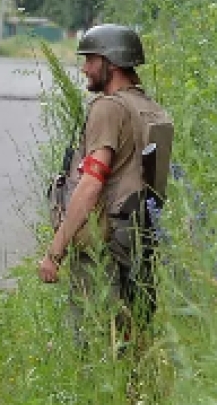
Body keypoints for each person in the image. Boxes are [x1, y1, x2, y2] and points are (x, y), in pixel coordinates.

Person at [38, 25, 171, 335]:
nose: (84, 68)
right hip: (141, 236)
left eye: (91, 59)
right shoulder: (150, 108)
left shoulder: (108, 108)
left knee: (94, 341)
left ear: (110, 63)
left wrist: (54, 252)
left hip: (106, 243)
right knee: (132, 335)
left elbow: (91, 184)